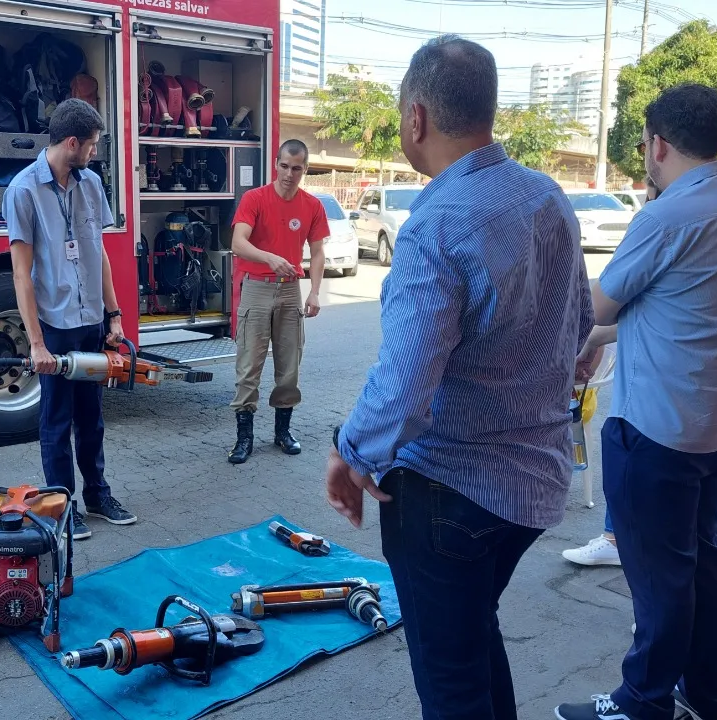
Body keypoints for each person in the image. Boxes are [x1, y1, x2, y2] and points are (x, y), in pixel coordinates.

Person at [325, 35, 594, 718]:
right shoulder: (546, 196)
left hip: (449, 499)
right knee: (473, 643)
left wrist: (348, 453)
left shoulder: (436, 224)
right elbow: (579, 324)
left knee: (451, 688)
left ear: (416, 118)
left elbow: (405, 390)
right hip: (532, 485)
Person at [555, 83, 717, 720]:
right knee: (704, 562)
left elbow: (597, 304)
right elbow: (684, 309)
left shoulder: (668, 215)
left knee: (659, 577)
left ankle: (642, 701)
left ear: (656, 143)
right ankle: (707, 692)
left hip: (654, 430)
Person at [6, 98, 136, 540]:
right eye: (93, 144)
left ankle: (98, 495)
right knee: (56, 421)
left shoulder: (91, 184)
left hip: (90, 321)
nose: (95, 152)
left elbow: (97, 251)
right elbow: (22, 275)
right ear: (72, 142)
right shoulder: (23, 191)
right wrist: (37, 344)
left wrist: (114, 315)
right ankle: (63, 504)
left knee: (91, 417)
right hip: (57, 325)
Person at [564, 177, 661, 569]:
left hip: (667, 395)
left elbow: (601, 306)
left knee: (626, 451)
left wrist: (589, 335)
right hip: (715, 396)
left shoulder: (663, 223)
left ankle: (668, 621)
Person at [227, 138, 329, 464]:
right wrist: (269, 258)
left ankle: (283, 432)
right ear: (276, 163)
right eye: (284, 166)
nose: (289, 174)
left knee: (289, 366)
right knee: (249, 366)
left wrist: (314, 291)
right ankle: (244, 439)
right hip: (256, 287)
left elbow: (317, 253)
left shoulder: (312, 206)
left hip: (289, 291)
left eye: (296, 168)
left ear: (305, 170)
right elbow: (238, 243)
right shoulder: (254, 198)